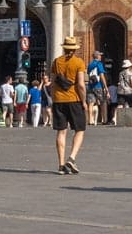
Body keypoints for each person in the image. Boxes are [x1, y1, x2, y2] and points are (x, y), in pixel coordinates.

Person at [51, 36, 88, 174]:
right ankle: (71, 159)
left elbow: (53, 83)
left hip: (59, 100)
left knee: (61, 131)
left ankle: (61, 165)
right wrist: (83, 101)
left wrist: (54, 98)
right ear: (74, 49)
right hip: (74, 99)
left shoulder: (56, 62)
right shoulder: (78, 62)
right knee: (79, 130)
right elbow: (81, 85)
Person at [86, 51, 106, 125]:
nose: (101, 57)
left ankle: (90, 120)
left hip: (90, 86)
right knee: (103, 102)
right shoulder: (99, 64)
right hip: (98, 86)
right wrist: (105, 87)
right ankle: (104, 119)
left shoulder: (90, 65)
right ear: (97, 56)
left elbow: (88, 74)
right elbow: (101, 75)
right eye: (100, 55)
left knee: (90, 103)